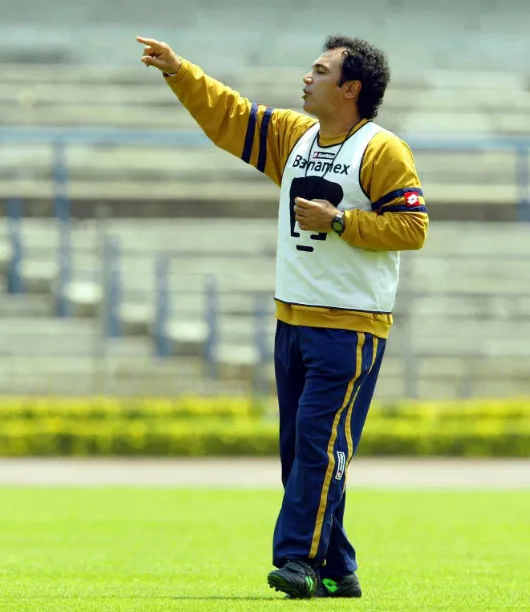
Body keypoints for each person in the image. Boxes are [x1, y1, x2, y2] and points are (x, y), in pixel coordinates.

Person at [136, 34, 429, 599]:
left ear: (350, 89)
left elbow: (413, 228)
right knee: (301, 454)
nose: (306, 78)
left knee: (319, 447)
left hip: (351, 328)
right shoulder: (296, 136)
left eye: (319, 71)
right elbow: (230, 115)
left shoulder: (381, 149)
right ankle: (339, 566)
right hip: (291, 321)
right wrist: (178, 71)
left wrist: (341, 221)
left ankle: (297, 559)